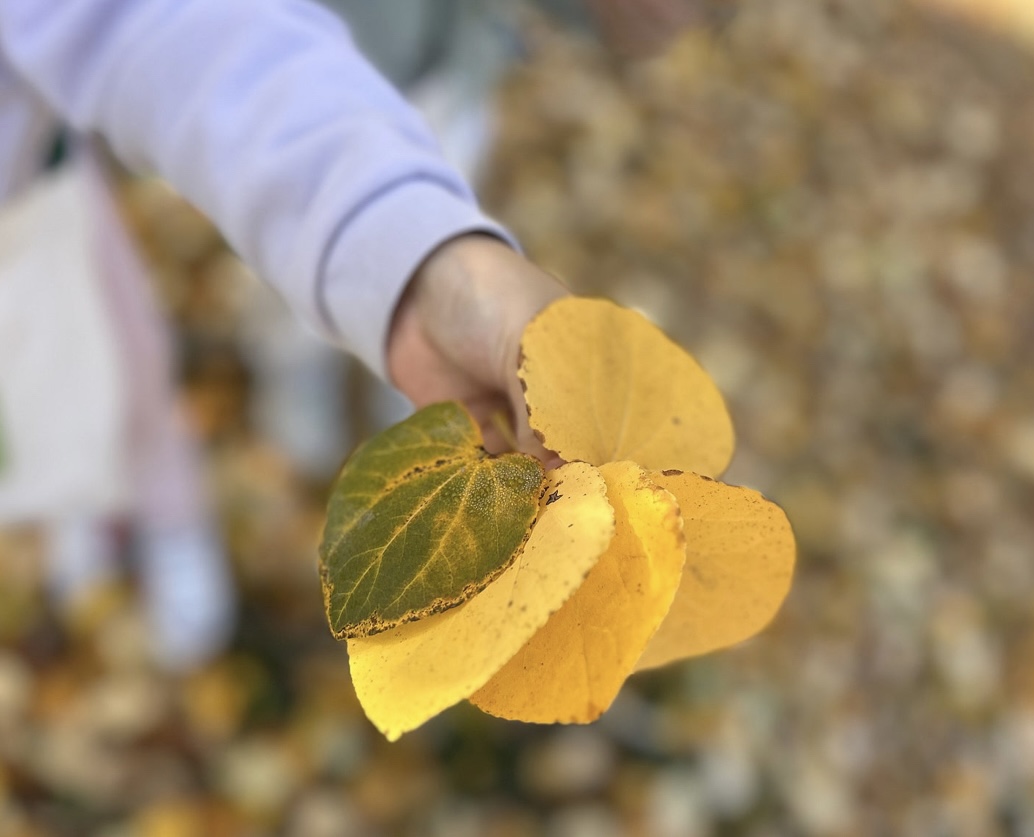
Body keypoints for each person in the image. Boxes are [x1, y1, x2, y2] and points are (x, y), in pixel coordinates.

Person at [0, 0, 701, 668]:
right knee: (59, 419)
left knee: (119, 381)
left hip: (38, 233)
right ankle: (83, 506)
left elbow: (154, 22)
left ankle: (157, 511)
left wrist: (411, 254)